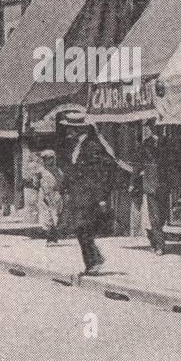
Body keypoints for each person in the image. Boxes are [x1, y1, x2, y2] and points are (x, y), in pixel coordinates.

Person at [58, 109, 120, 275]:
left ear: (80, 129)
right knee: (80, 228)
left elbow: (103, 172)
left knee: (83, 227)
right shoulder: (77, 146)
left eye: (71, 129)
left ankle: (93, 262)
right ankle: (94, 259)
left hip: (90, 195)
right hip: (79, 195)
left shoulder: (92, 146)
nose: (68, 132)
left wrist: (101, 197)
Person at [137, 133, 169, 256]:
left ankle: (153, 237)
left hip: (164, 185)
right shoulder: (146, 144)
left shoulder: (166, 142)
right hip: (151, 185)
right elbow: (139, 163)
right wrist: (135, 180)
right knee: (155, 217)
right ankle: (159, 245)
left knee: (163, 215)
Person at [23, 149, 64, 243]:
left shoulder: (58, 171)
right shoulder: (40, 171)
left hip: (56, 195)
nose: (50, 160)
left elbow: (62, 182)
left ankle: (54, 232)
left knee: (56, 215)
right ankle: (50, 235)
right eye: (47, 159)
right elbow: (36, 184)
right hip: (44, 195)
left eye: (51, 158)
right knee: (46, 216)